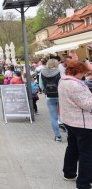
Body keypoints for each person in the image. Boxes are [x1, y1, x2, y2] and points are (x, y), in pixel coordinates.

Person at [58, 60, 92, 189]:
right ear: (77, 71)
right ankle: (84, 182)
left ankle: (69, 173)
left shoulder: (63, 81)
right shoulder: (75, 85)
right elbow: (87, 104)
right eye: (83, 73)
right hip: (82, 123)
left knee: (73, 148)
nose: (84, 75)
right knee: (86, 153)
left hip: (69, 120)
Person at [39, 58, 62, 142]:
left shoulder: (42, 72)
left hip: (49, 96)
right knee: (64, 116)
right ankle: (69, 135)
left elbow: (41, 86)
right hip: (61, 96)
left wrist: (45, 91)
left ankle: (58, 136)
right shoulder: (59, 71)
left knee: (54, 117)